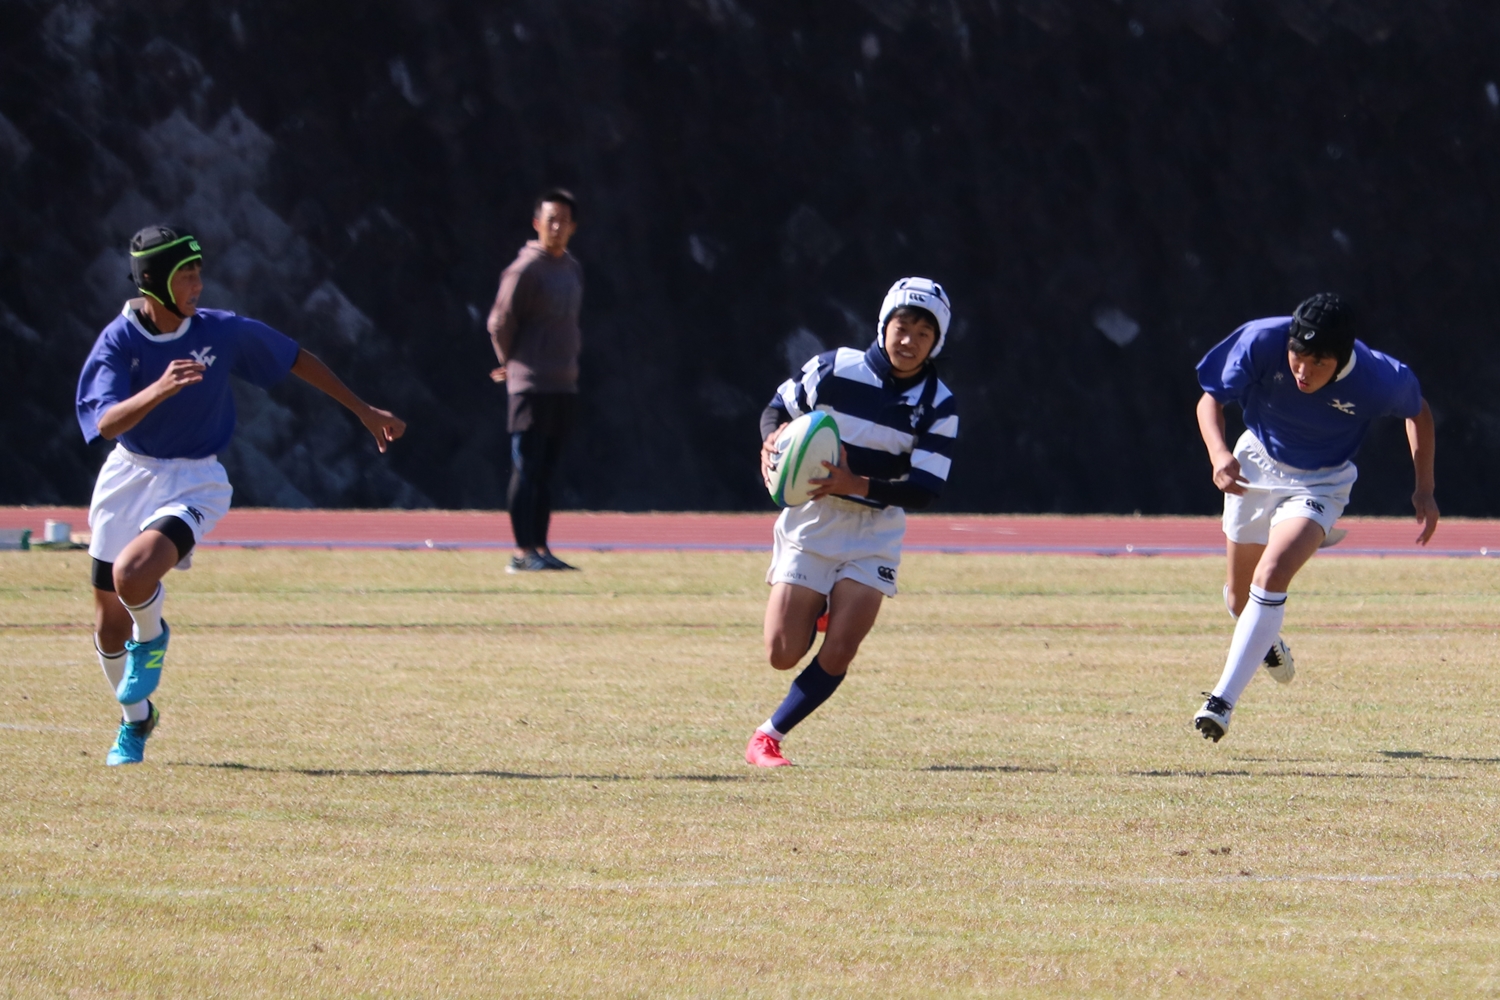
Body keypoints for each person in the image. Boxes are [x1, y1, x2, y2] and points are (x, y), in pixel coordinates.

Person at [75, 225, 406, 765]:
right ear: (153, 281)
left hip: (195, 480)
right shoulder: (119, 340)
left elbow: (295, 357)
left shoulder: (221, 330)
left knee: (133, 575)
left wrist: (365, 411)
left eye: (198, 272)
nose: (198, 284)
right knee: (109, 624)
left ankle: (151, 639)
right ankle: (136, 720)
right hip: (128, 476)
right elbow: (106, 422)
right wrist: (159, 389)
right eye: (185, 274)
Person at [1191, 292, 1437, 742]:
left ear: (1342, 359)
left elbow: (1418, 413)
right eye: (1297, 357)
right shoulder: (1261, 340)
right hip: (1254, 465)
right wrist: (1219, 454)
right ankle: (1266, 641)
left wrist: (1425, 489)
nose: (1303, 371)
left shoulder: (1379, 378)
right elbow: (1210, 400)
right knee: (1239, 601)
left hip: (1321, 483)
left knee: (1272, 574)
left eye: (1318, 362)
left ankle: (1220, 703)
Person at [745, 277, 960, 767]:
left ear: (937, 342)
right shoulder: (833, 368)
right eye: (902, 327)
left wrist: (853, 483)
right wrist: (771, 439)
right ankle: (820, 604)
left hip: (874, 531)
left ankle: (768, 737)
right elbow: (777, 408)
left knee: (841, 648)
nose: (909, 341)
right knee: (781, 653)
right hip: (814, 519)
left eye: (924, 333)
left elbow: (925, 488)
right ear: (884, 325)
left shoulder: (938, 403)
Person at [486, 189, 584, 572]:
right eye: (550, 220)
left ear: (573, 227)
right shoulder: (525, 269)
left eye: (564, 221)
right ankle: (521, 552)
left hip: (563, 382)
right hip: (531, 383)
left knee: (546, 471)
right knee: (526, 467)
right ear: (537, 223)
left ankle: (541, 548)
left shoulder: (571, 268)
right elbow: (500, 322)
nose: (556, 227)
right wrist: (510, 362)